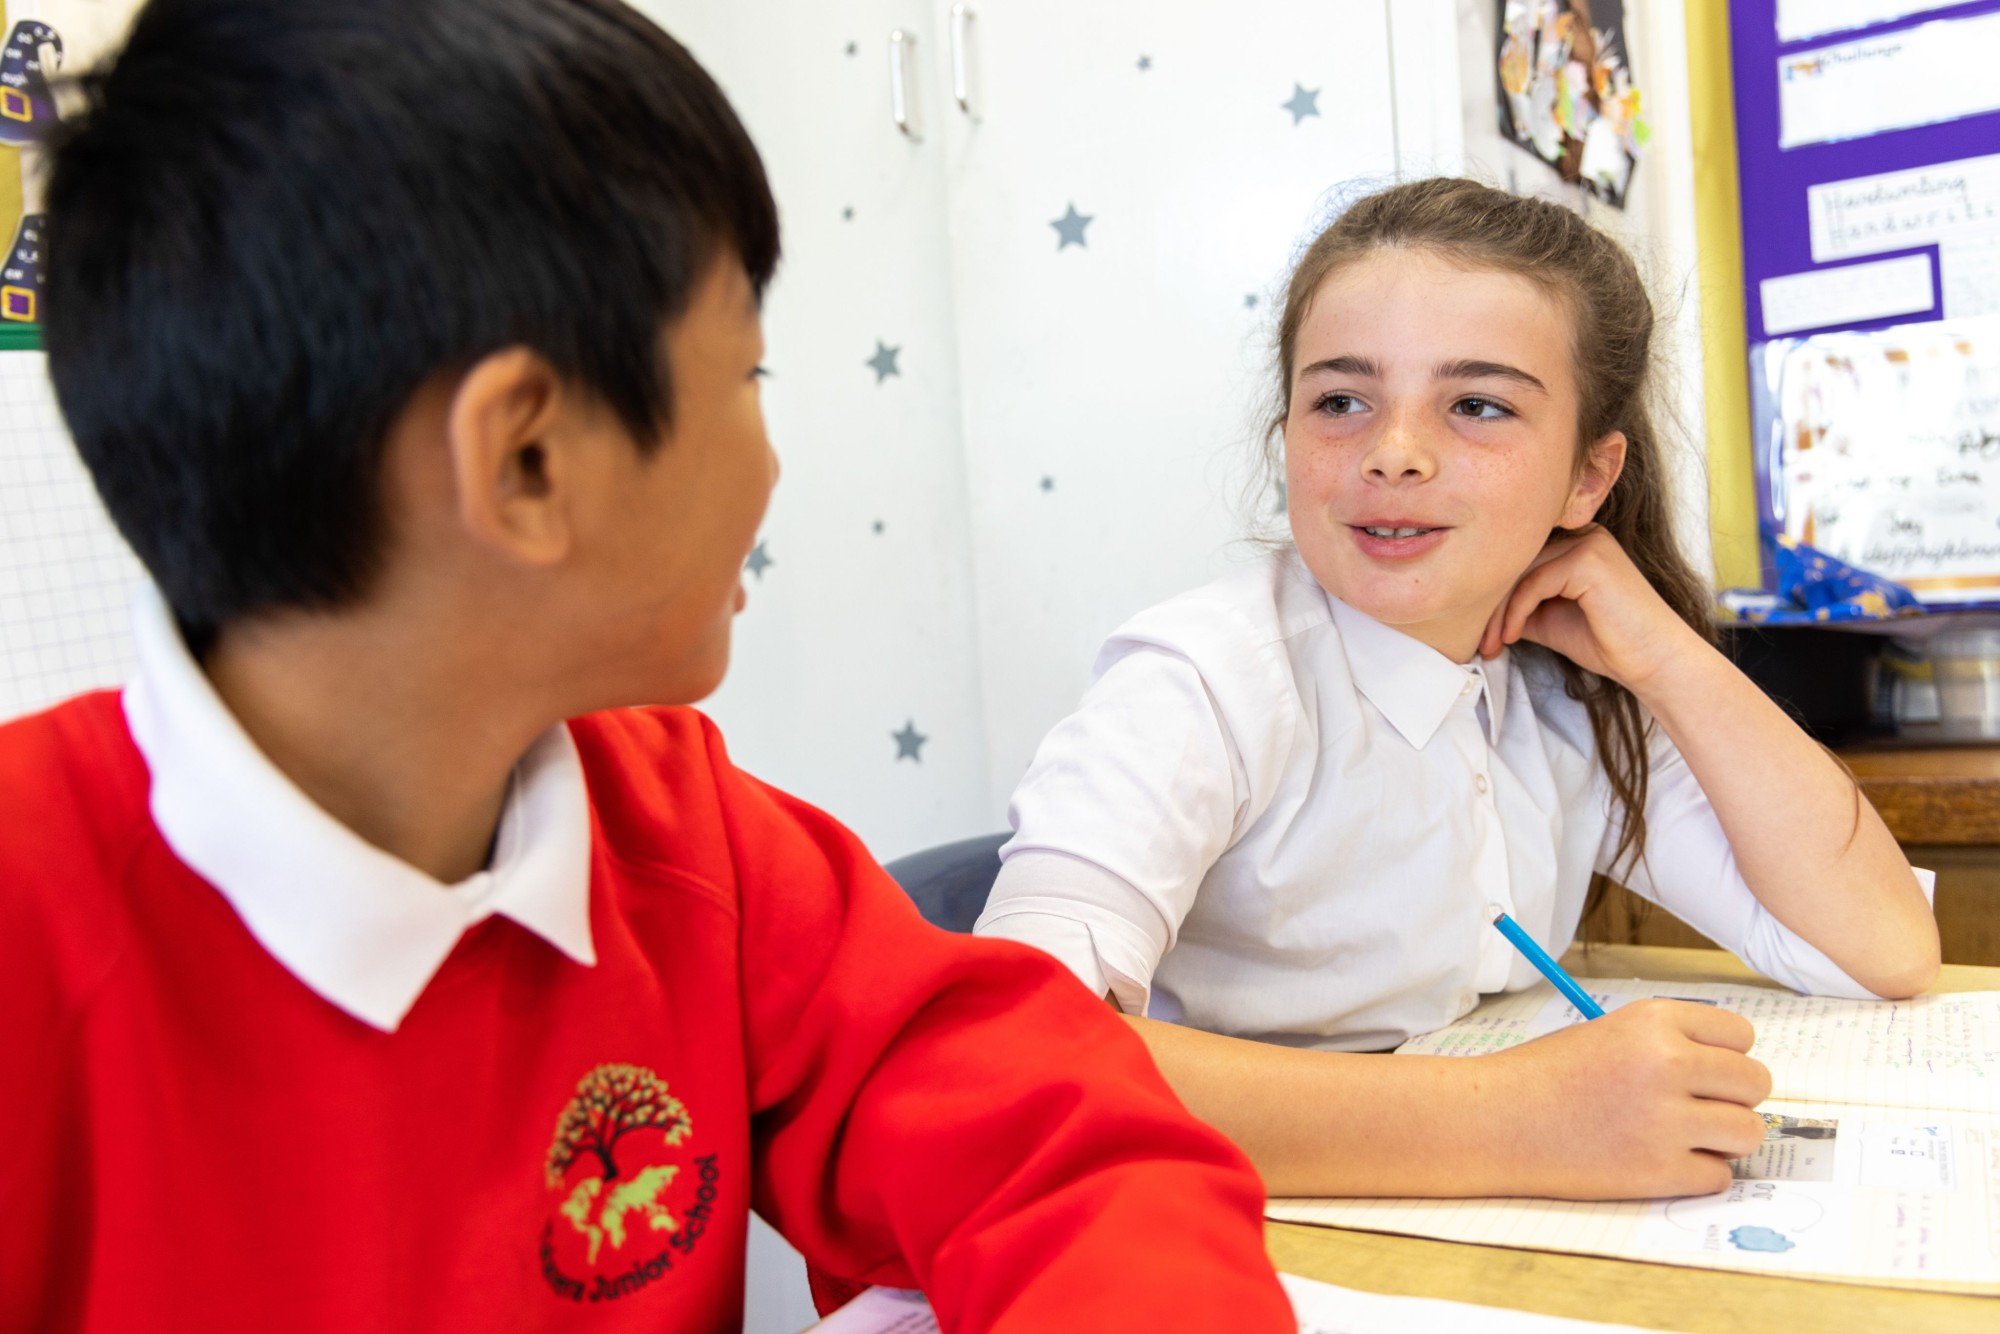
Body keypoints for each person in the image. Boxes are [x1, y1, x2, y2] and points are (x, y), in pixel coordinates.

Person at [0, 2, 1298, 1329]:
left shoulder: (680, 831)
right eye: (748, 374)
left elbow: (1068, 1146)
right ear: (525, 461)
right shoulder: (34, 926)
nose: (773, 464)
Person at [974, 177, 1941, 1202]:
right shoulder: (1197, 681)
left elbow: (1879, 948)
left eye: (1476, 405)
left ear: (1588, 477)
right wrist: (1518, 1118)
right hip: (1202, 1220)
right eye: (1341, 401)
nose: (1393, 453)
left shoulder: (1566, 689)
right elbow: (1012, 1057)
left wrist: (1669, 655)